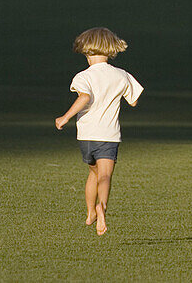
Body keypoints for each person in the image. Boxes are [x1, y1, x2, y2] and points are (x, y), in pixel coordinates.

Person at [55, 26, 143, 236]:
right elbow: (134, 100)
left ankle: (89, 212)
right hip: (109, 135)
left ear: (86, 52)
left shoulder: (83, 76)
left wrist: (65, 117)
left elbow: (84, 97)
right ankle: (101, 207)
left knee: (92, 174)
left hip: (86, 135)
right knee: (105, 175)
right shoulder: (121, 75)